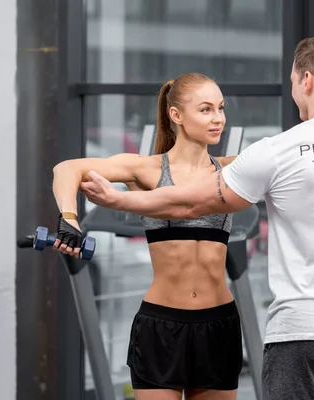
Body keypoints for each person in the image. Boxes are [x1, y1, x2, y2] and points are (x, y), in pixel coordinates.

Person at [81, 36, 314, 400]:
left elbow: (193, 204)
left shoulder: (281, 149)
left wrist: (119, 200)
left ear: (306, 81)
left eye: (291, 83)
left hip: (303, 330)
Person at [51, 72, 243, 400]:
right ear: (176, 115)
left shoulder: (230, 169)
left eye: (221, 109)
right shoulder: (147, 169)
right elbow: (67, 169)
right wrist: (70, 219)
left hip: (218, 324)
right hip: (161, 324)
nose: (218, 119)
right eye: (206, 109)